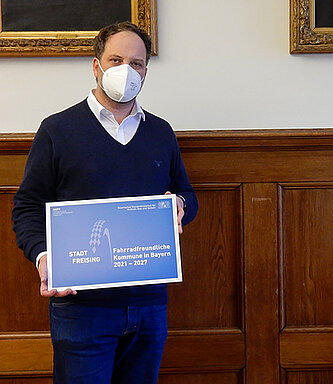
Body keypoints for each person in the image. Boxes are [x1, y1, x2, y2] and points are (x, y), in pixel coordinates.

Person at [12, 21, 198, 383]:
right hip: (82, 307)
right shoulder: (57, 129)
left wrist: (180, 205)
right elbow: (28, 205)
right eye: (116, 60)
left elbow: (186, 192)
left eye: (137, 63)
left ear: (146, 71)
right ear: (96, 66)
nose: (127, 71)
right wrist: (43, 256)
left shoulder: (160, 131)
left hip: (148, 303)